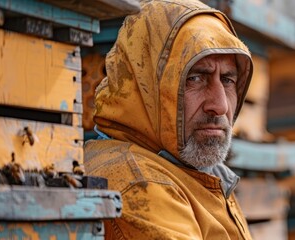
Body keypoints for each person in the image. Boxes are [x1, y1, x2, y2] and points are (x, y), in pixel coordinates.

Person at [84, 0, 253, 239]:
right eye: (196, 78)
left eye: (227, 80)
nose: (220, 105)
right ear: (146, 86)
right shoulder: (140, 185)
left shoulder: (194, 170)